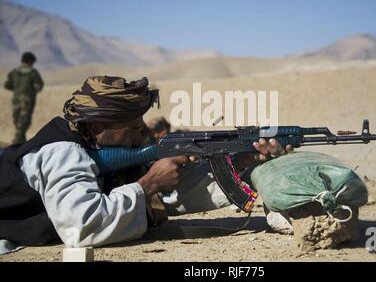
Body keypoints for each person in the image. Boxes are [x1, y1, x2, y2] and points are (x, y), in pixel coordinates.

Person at [0, 76, 292, 253]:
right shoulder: (60, 153)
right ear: (97, 125)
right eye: (131, 130)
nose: (140, 136)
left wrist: (241, 158)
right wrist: (149, 182)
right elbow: (81, 227)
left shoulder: (102, 145)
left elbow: (171, 197)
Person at [4, 52, 44, 144]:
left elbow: (7, 85)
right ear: (30, 61)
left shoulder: (14, 72)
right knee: (24, 123)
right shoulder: (32, 72)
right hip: (27, 101)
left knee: (18, 121)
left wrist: (17, 90)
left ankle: (20, 143)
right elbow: (39, 86)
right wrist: (30, 92)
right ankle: (16, 144)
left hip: (16, 100)